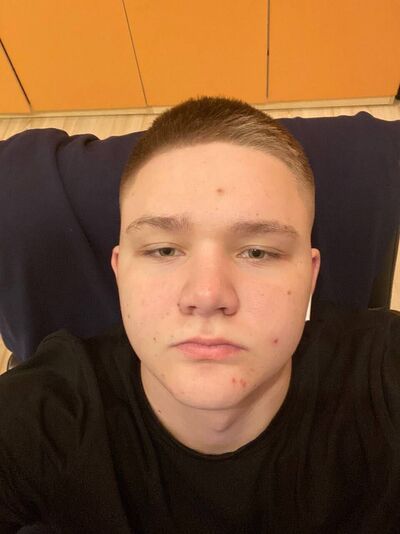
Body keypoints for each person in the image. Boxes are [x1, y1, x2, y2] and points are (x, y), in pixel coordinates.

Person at [0, 96, 399, 534]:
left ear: (310, 275)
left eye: (258, 252)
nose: (207, 295)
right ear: (119, 271)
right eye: (164, 250)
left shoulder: (382, 375)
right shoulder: (44, 417)